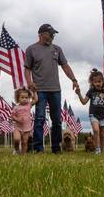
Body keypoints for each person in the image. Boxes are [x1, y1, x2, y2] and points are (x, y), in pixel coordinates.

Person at [23, 23, 79, 154]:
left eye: (53, 34)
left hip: (55, 90)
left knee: (57, 121)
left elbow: (65, 66)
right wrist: (29, 82)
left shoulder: (57, 49)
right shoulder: (31, 49)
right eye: (50, 33)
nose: (53, 36)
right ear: (41, 34)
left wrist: (74, 80)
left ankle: (56, 148)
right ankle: (38, 148)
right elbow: (27, 69)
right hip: (39, 90)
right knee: (39, 119)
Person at [74, 69, 104, 154]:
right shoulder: (91, 91)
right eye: (95, 82)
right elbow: (83, 102)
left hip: (103, 116)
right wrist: (79, 94)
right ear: (92, 82)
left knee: (102, 135)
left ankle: (102, 150)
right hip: (93, 115)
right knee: (96, 130)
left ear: (103, 82)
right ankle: (97, 150)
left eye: (99, 81)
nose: (98, 83)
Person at [11, 88, 34, 154]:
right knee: (17, 139)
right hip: (18, 128)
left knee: (24, 142)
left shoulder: (29, 105)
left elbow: (36, 100)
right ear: (18, 98)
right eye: (22, 97)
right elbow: (12, 117)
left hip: (27, 128)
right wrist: (17, 119)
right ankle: (16, 149)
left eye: (26, 97)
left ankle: (24, 154)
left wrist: (34, 92)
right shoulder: (16, 107)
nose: (24, 99)